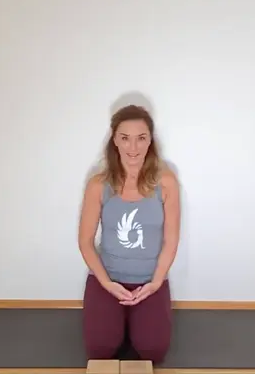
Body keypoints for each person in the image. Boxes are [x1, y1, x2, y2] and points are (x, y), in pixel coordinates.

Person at [78, 104, 181, 363]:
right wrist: (106, 283)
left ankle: (134, 322)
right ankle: (117, 321)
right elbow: (85, 242)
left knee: (153, 351)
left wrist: (155, 282)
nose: (133, 147)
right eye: (125, 138)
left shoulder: (166, 182)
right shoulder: (98, 185)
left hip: (150, 282)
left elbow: (171, 240)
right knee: (100, 350)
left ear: (150, 141)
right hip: (107, 280)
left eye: (141, 138)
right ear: (114, 140)